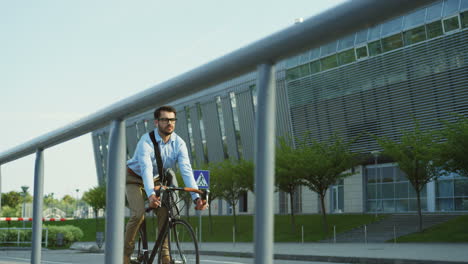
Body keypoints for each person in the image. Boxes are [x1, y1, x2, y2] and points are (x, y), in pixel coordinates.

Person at [124, 105, 208, 264]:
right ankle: (125, 255)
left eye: (172, 120)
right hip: (134, 179)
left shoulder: (179, 143)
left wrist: (196, 197)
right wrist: (150, 195)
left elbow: (186, 171)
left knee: (165, 212)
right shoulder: (146, 141)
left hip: (155, 180)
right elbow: (146, 169)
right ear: (156, 122)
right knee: (138, 214)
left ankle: (165, 257)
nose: (169, 123)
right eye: (165, 120)